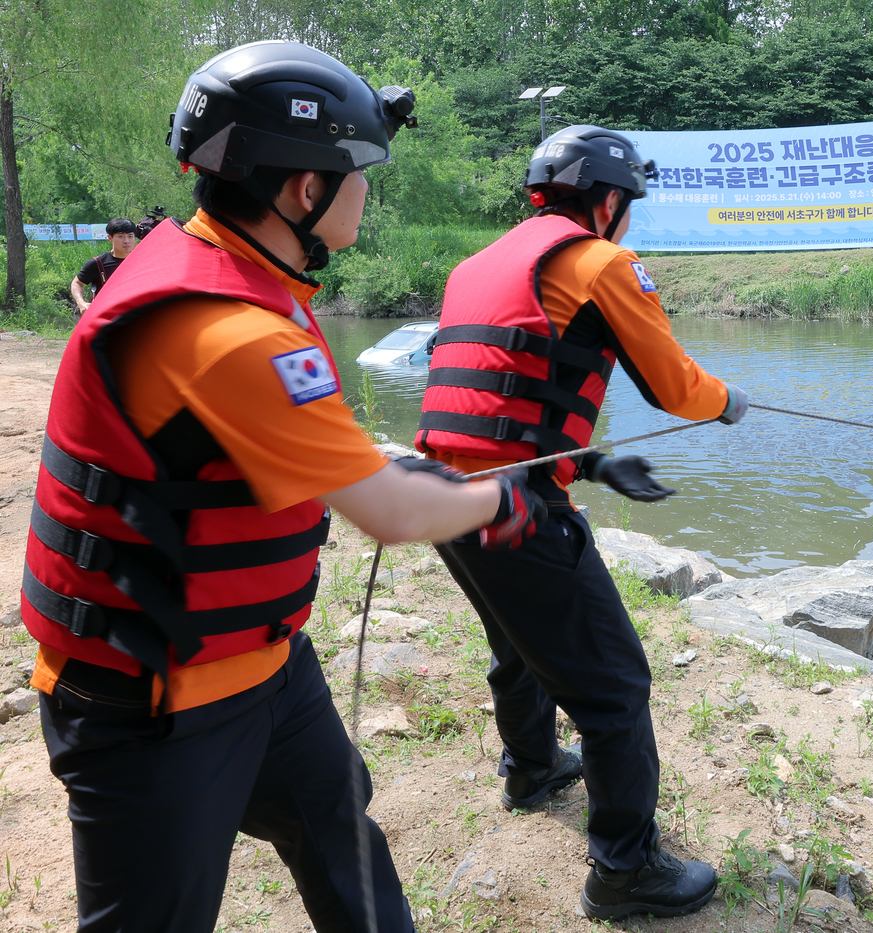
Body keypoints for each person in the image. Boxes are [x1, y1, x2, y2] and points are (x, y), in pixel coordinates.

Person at [20, 40, 544, 933]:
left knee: (343, 839)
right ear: (306, 190)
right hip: (150, 698)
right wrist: (504, 497)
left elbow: (305, 451)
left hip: (263, 667)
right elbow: (387, 511)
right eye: (359, 171)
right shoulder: (230, 328)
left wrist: (389, 466)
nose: (367, 191)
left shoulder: (228, 267)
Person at [416, 124, 748, 921]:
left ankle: (531, 769)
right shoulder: (603, 260)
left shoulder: (475, 265)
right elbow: (673, 384)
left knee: (518, 639)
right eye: (625, 202)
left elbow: (502, 399)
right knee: (616, 688)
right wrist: (729, 400)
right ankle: (626, 871)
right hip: (520, 509)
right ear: (608, 201)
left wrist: (591, 462)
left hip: (445, 500)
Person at [69, 218, 138, 314]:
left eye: (130, 236)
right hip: (108, 319)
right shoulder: (98, 263)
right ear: (110, 238)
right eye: (121, 236)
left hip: (138, 318)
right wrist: (81, 303)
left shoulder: (143, 260)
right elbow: (77, 283)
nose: (126, 241)